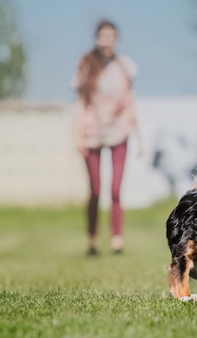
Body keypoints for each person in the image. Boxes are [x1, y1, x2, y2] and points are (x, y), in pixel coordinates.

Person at [72, 19, 142, 256]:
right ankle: (92, 240)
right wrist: (78, 136)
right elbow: (80, 103)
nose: (106, 41)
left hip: (118, 132)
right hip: (92, 134)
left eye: (110, 36)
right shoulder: (86, 64)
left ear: (116, 40)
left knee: (115, 190)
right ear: (96, 38)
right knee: (95, 190)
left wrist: (138, 137)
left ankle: (116, 240)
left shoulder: (124, 66)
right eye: (102, 36)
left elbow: (130, 103)